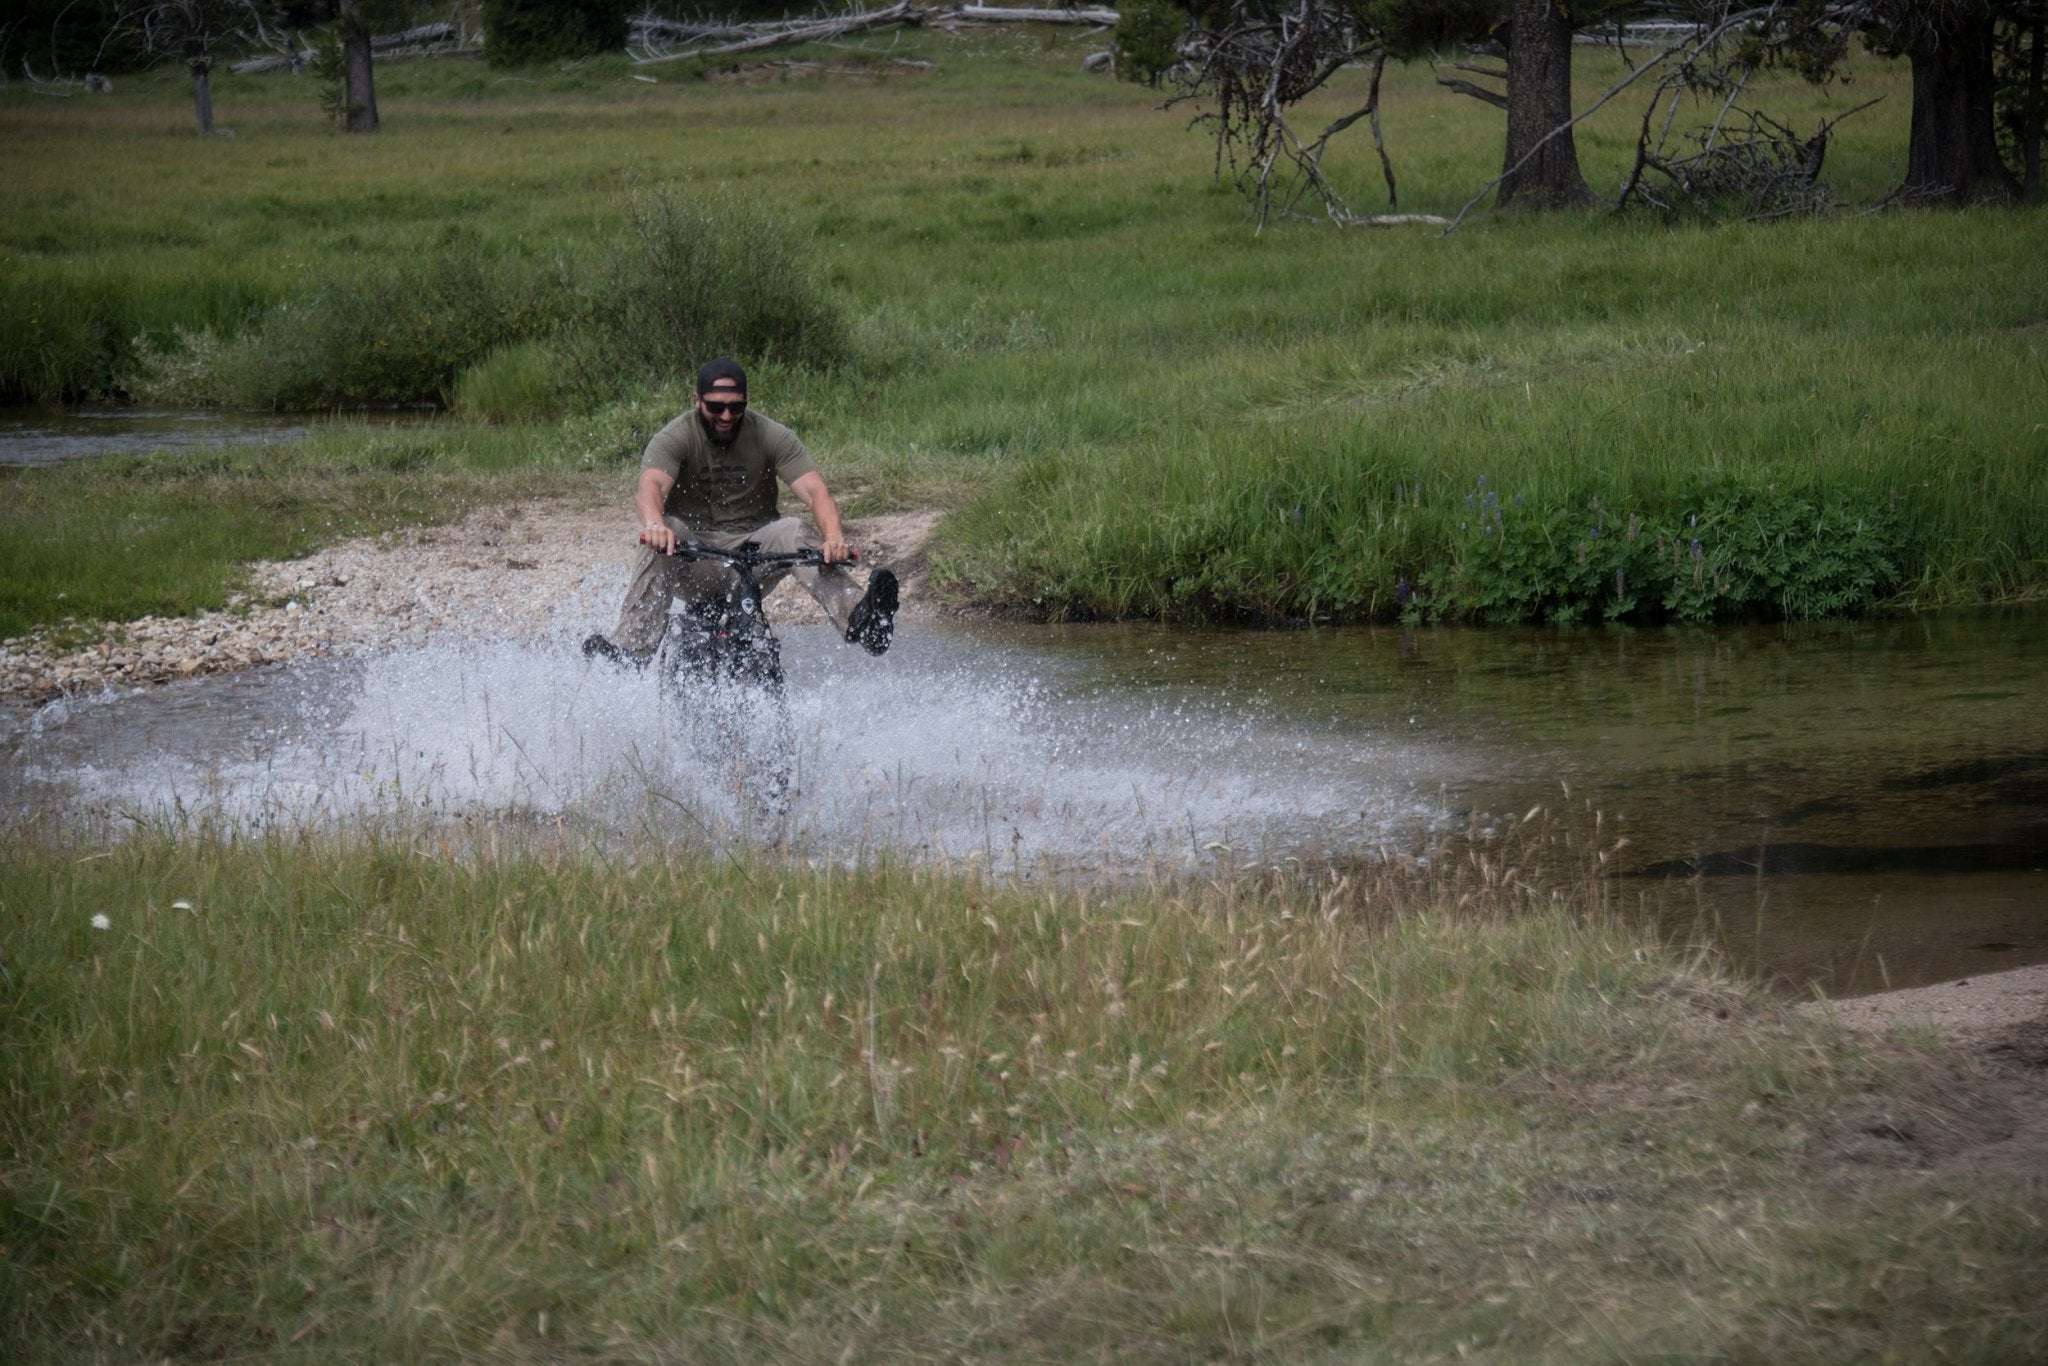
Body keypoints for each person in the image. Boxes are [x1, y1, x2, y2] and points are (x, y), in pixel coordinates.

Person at [583, 357, 897, 666]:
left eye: (736, 406)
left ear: (745, 401)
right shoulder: (675, 436)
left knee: (793, 529)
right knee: (667, 529)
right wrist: (655, 525)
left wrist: (833, 538)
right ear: (697, 400)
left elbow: (816, 492)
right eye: (716, 406)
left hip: (754, 557)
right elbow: (650, 487)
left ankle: (863, 620)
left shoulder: (771, 435)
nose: (726, 415)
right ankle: (631, 647)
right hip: (695, 557)